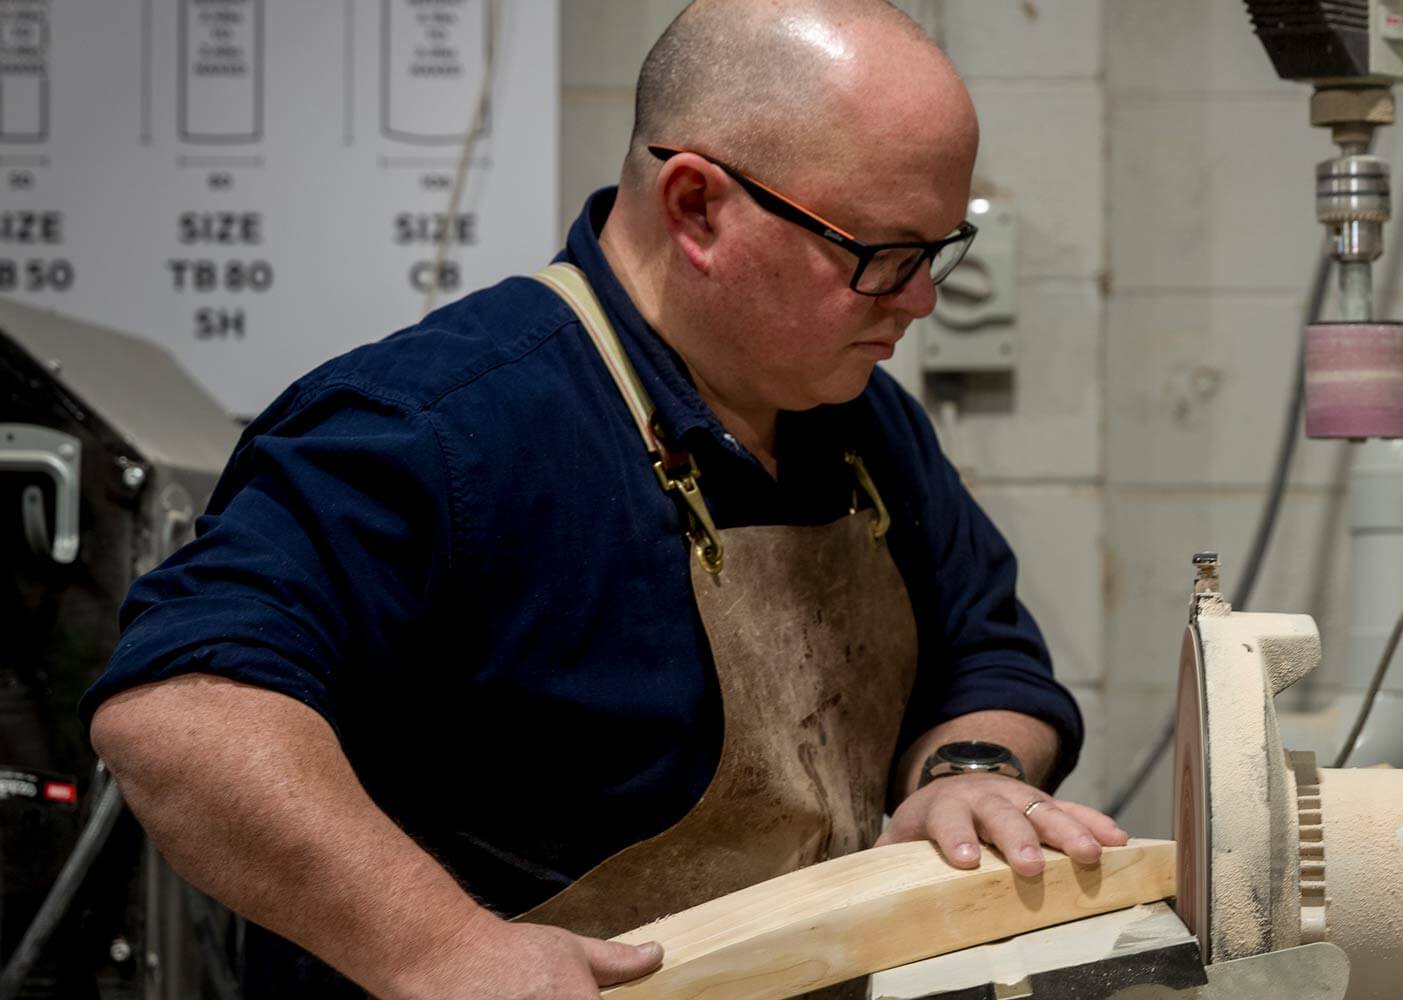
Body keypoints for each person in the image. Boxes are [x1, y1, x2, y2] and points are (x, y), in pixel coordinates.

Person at [81, 1, 1120, 996]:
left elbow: (983, 652)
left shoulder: (860, 423)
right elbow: (183, 714)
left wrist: (968, 768)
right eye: (880, 256)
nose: (922, 300)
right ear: (697, 207)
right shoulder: (437, 425)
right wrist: (437, 948)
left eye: (936, 251)